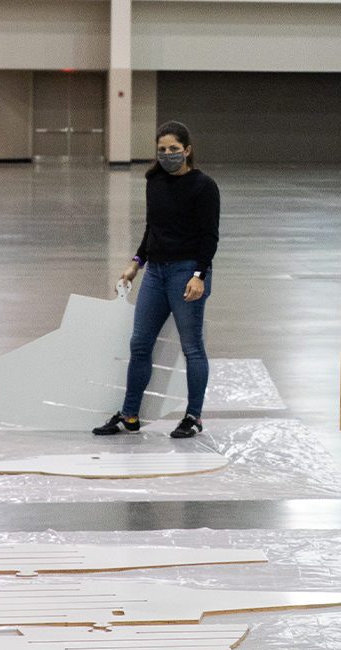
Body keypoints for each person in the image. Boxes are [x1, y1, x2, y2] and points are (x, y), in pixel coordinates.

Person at [93, 120, 219, 439]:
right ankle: (130, 416)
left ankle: (194, 417)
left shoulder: (204, 186)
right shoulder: (155, 182)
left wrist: (199, 275)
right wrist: (136, 263)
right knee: (139, 344)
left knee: (192, 348)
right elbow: (152, 229)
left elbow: (210, 237)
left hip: (187, 271)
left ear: (187, 150)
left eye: (173, 149)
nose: (167, 155)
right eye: (161, 150)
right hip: (156, 272)